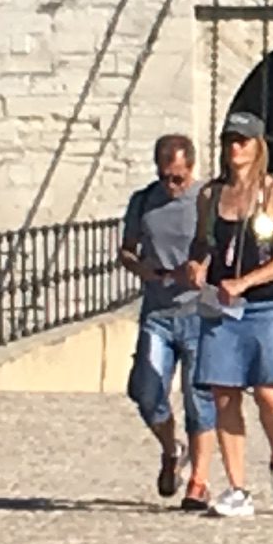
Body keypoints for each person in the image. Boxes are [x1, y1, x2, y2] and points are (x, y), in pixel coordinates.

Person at [187, 114, 273, 519]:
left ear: (258, 145)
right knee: (224, 393)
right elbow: (203, 243)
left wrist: (247, 281)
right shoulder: (210, 196)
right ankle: (237, 488)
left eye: (243, 141)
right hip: (222, 306)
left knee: (269, 393)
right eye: (229, 141)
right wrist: (198, 265)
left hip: (266, 305)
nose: (235, 148)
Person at [116, 130, 206, 502]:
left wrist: (201, 266)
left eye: (178, 178)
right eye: (164, 177)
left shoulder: (206, 201)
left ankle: (199, 484)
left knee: (198, 399)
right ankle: (172, 449)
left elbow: (223, 245)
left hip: (199, 312)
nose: (171, 185)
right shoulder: (143, 202)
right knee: (146, 389)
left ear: (192, 169)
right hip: (157, 312)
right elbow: (126, 250)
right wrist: (143, 270)